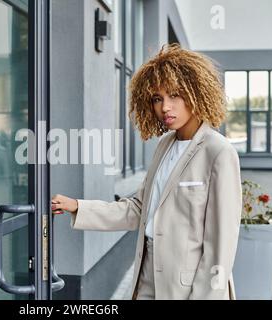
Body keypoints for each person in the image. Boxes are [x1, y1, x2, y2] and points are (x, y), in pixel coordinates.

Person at [51, 43, 242, 300]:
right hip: (147, 276)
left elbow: (221, 245)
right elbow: (138, 210)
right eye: (157, 99)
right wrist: (78, 206)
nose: (165, 107)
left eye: (175, 95)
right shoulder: (164, 145)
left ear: (195, 93)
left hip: (189, 288)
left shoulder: (218, 152)